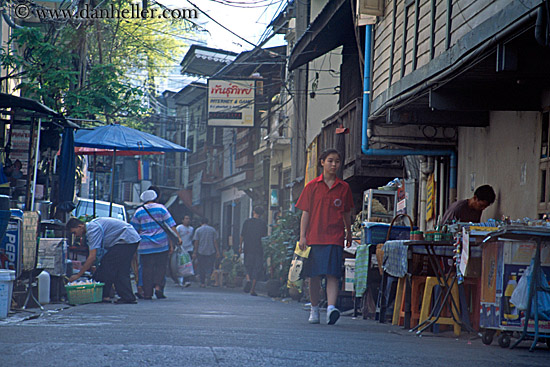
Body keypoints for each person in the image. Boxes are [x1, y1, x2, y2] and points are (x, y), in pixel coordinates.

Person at [296, 148, 353, 325]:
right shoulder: (312, 186)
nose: (333, 164)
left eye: (337, 161)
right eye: (330, 160)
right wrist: (302, 236)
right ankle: (314, 310)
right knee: (314, 276)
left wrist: (349, 232)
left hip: (335, 237)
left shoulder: (344, 188)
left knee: (333, 274)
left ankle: (330, 308)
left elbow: (346, 213)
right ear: (322, 162)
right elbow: (305, 213)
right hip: (314, 237)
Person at [67, 217, 140, 304]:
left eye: (74, 232)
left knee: (109, 265)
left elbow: (92, 257)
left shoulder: (92, 230)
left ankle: (107, 295)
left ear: (80, 226)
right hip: (129, 239)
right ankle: (127, 296)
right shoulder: (92, 226)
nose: (76, 236)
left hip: (127, 239)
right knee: (120, 268)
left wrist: (78, 275)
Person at [130, 190, 180, 300]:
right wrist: (178, 238)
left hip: (145, 245)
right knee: (160, 267)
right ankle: (158, 287)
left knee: (147, 269)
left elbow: (134, 229)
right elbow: (171, 225)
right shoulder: (161, 208)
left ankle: (147, 293)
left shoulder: (138, 212)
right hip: (161, 244)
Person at [239, 206, 267, 296]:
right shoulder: (263, 223)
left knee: (247, 265)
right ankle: (252, 289)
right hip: (258, 248)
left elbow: (242, 235)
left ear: (253, 212)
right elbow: (264, 236)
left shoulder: (247, 222)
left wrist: (240, 246)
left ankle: (248, 279)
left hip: (248, 247)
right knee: (256, 268)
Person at [192, 217, 220, 288]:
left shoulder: (198, 230)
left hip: (201, 251)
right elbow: (215, 241)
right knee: (210, 266)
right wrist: (217, 251)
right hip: (211, 250)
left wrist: (195, 251)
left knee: (201, 267)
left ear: (201, 223)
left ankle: (202, 282)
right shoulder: (212, 230)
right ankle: (209, 278)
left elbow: (196, 242)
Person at [176, 215, 194, 287]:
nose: (188, 220)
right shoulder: (179, 228)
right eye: (186, 219)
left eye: (189, 219)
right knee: (181, 264)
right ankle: (180, 279)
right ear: (182, 220)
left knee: (188, 265)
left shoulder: (191, 229)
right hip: (181, 249)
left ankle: (187, 280)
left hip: (189, 248)